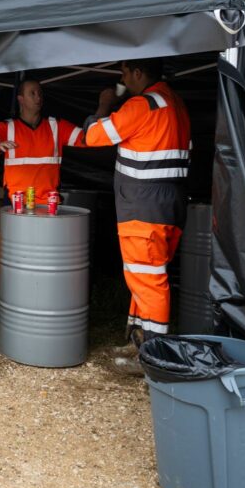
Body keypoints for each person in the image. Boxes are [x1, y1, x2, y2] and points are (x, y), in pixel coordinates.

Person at [82, 58, 190, 375]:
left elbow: (93, 136)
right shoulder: (175, 103)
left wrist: (104, 104)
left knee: (149, 281)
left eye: (125, 72)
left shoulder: (143, 105)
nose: (122, 77)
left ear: (138, 73)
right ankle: (139, 343)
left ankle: (153, 362)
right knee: (145, 278)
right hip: (169, 204)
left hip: (143, 208)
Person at [0, 79, 84, 328]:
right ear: (21, 100)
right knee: (3, 254)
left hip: (48, 206)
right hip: (16, 205)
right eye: (32, 93)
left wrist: (103, 111)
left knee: (49, 260)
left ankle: (39, 306)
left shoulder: (56, 127)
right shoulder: (8, 127)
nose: (39, 97)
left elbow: (88, 138)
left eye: (40, 92)